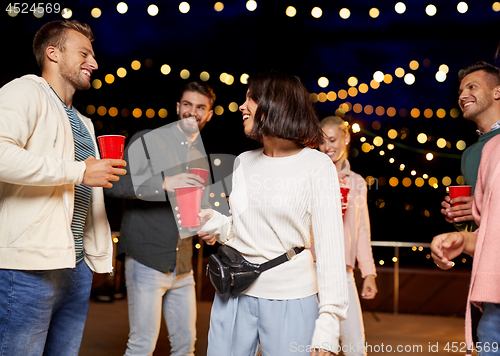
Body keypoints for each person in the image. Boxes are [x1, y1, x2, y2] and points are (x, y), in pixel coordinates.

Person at [195, 71, 348, 356]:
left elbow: (330, 247)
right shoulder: (243, 161)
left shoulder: (316, 165)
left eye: (250, 98)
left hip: (291, 297)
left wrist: (329, 323)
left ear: (273, 105)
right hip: (233, 293)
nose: (242, 106)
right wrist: (218, 225)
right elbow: (245, 228)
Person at [0, 20, 126, 356]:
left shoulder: (83, 122)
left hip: (75, 267)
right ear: (53, 54)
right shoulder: (24, 90)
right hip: (30, 267)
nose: (95, 63)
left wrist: (96, 259)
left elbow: (84, 198)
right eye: (84, 53)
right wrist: (78, 171)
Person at [105, 81, 216, 356]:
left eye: (200, 107)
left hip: (182, 265)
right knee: (142, 345)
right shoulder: (148, 139)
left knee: (185, 346)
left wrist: (209, 227)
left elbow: (197, 209)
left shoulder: (200, 156)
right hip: (146, 259)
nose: (193, 112)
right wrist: (165, 182)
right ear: (178, 108)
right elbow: (116, 185)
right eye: (187, 105)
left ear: (209, 115)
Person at [439, 61, 500, 343]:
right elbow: (486, 218)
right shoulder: (473, 153)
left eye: (472, 87)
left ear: (498, 92)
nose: (462, 95)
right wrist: (462, 215)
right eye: (460, 91)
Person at [431, 132, 500, 355]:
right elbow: (491, 232)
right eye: (459, 93)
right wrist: (464, 239)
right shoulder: (489, 150)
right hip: (493, 303)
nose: (462, 96)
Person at [316, 116, 377, 356]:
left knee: (355, 346)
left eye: (332, 140)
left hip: (344, 273)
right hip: (313, 270)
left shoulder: (358, 183)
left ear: (346, 138)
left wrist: (369, 273)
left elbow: (362, 230)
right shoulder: (313, 177)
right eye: (322, 142)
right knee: (316, 345)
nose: (327, 147)